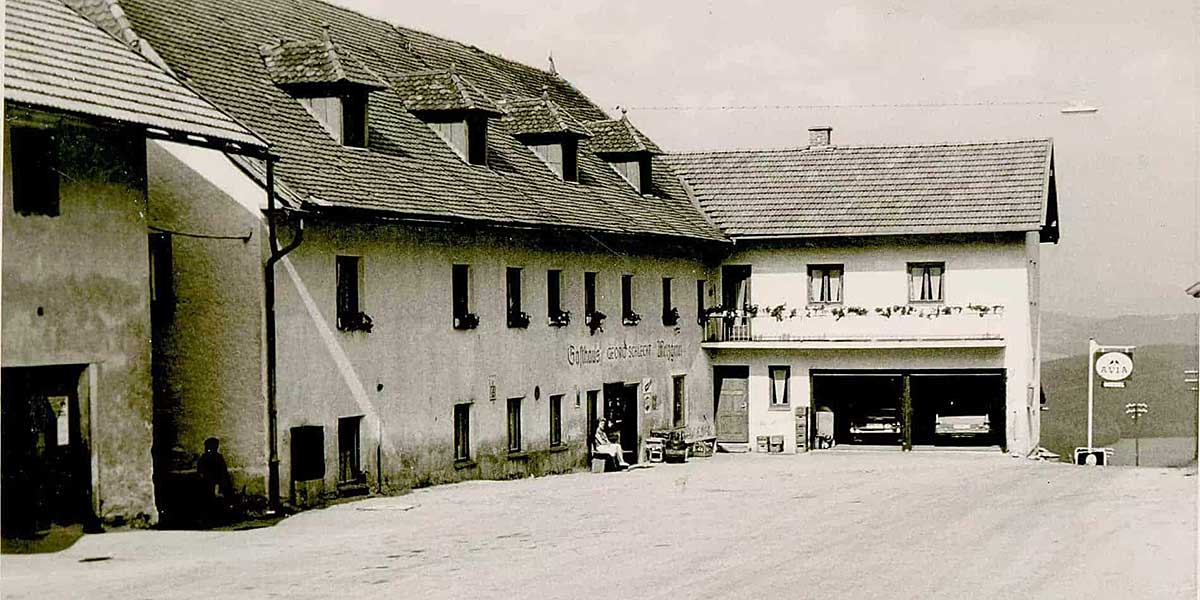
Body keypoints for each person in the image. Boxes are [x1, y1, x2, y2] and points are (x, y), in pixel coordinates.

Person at [196, 437, 233, 521]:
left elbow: (223, 472)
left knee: (217, 500)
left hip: (217, 482)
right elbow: (200, 471)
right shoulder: (205, 457)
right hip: (208, 483)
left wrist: (220, 484)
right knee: (210, 500)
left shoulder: (217, 457)